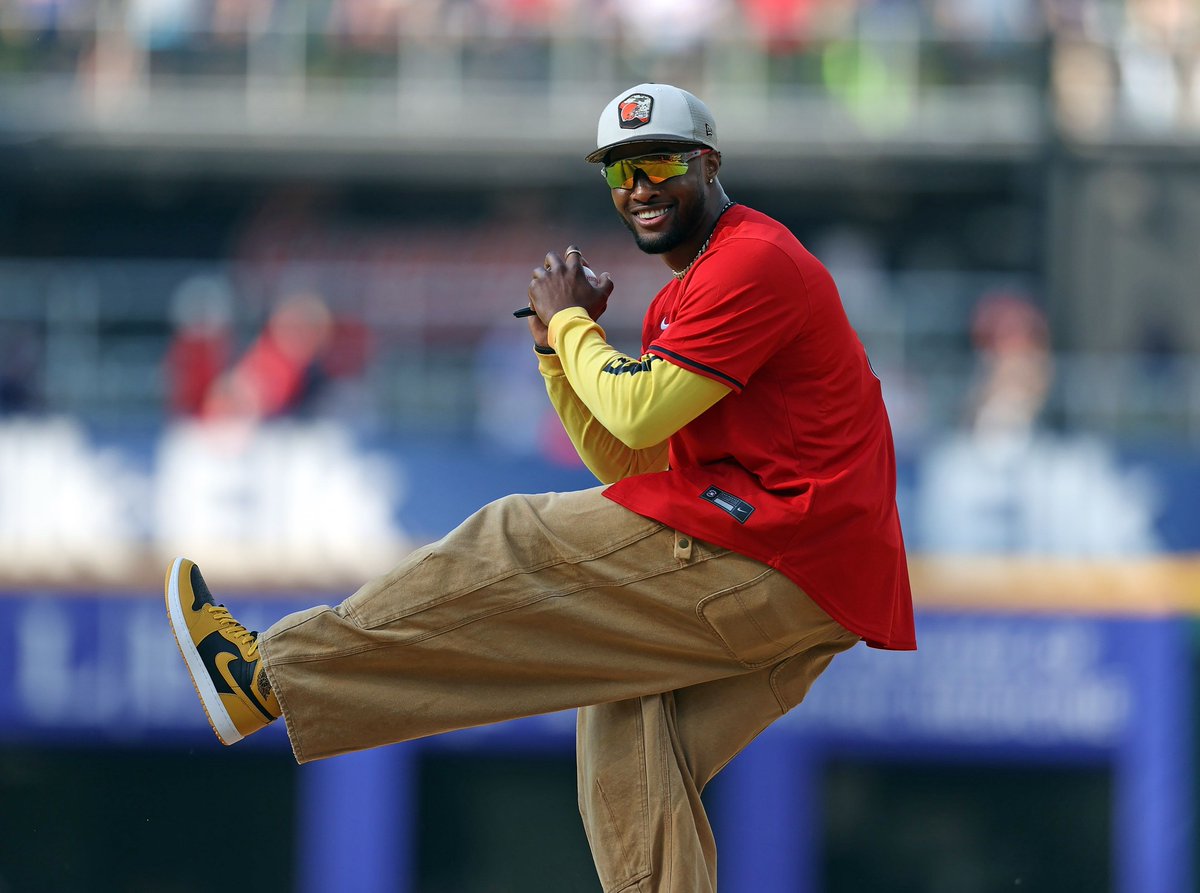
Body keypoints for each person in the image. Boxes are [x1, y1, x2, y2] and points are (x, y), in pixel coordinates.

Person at [166, 82, 915, 891]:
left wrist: (573, 323)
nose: (640, 188)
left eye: (659, 162)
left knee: (511, 536)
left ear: (708, 163)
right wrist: (557, 352)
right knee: (628, 732)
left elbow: (635, 411)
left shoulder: (752, 258)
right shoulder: (687, 290)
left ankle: (266, 677)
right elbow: (636, 464)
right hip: (811, 578)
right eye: (619, 173)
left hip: (780, 547)